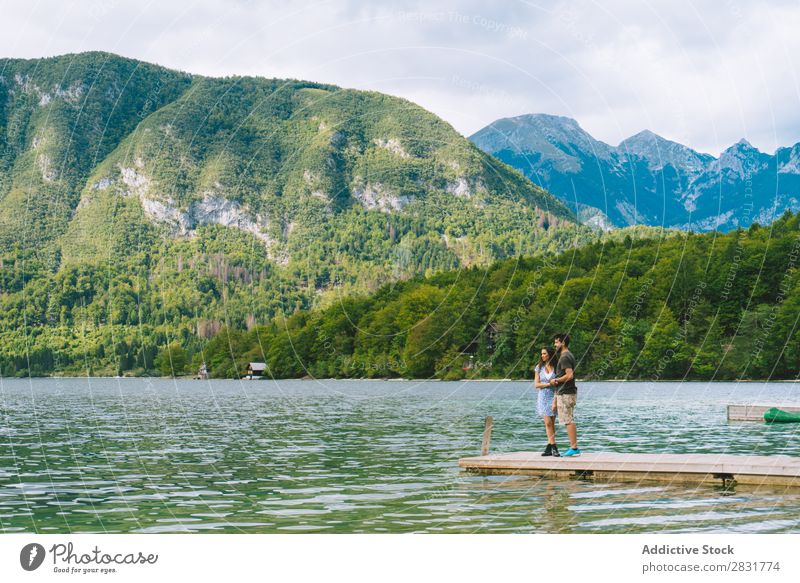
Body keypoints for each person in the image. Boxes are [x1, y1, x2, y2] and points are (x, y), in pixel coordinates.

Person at [550, 333, 580, 456]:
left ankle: (574, 448)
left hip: (566, 392)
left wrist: (555, 380)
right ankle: (573, 447)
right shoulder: (567, 355)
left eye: (557, 342)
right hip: (567, 392)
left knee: (568, 420)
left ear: (563, 343)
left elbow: (569, 375)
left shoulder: (564, 357)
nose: (555, 345)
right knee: (568, 419)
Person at [534, 346, 560, 456]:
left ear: (550, 354)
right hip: (543, 397)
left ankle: (549, 447)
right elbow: (536, 384)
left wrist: (555, 401)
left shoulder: (557, 367)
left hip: (554, 397)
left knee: (552, 424)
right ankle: (554, 447)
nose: (542, 356)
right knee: (548, 423)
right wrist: (549, 384)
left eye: (544, 353)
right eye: (542, 354)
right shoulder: (539, 367)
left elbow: (558, 386)